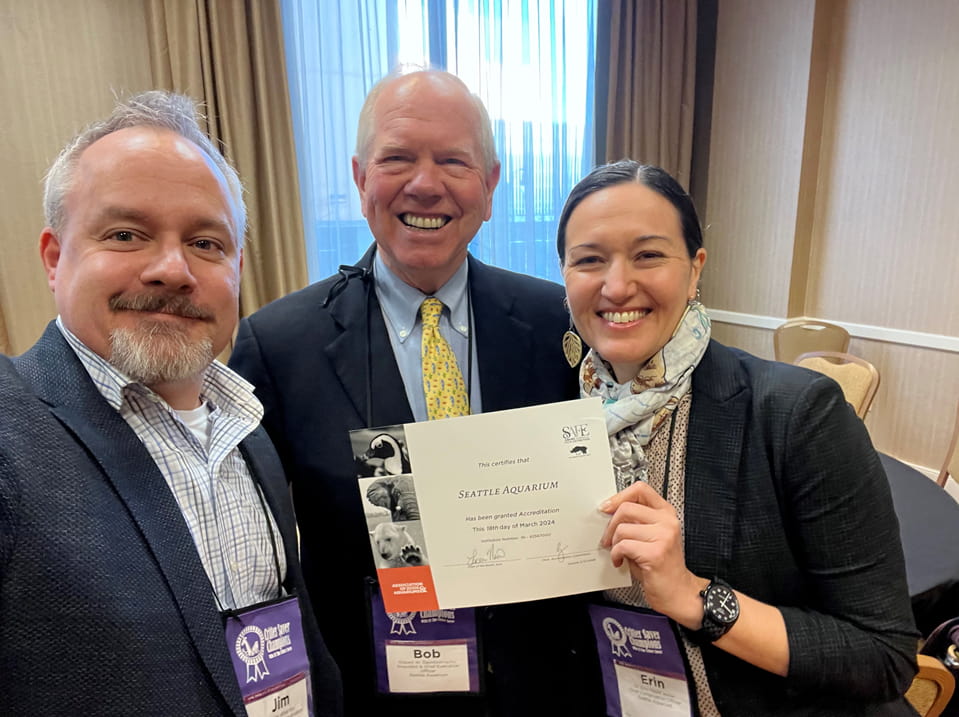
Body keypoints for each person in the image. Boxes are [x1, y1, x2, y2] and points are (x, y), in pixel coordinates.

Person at [229, 69, 592, 715]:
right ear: (360, 177)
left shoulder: (557, 324)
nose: (425, 183)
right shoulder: (278, 343)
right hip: (371, 685)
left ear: (489, 185)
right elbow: (250, 545)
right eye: (397, 158)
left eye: (453, 160)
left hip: (539, 684)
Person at [0, 91, 342, 716]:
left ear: (237, 267)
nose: (171, 269)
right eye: (126, 234)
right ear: (55, 259)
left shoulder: (247, 433)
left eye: (206, 243)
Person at [558, 159, 919, 715]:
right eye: (589, 260)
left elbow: (882, 654)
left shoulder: (796, 413)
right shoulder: (555, 418)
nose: (616, 284)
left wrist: (693, 596)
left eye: (648, 254)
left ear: (695, 268)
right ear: (564, 276)